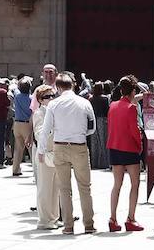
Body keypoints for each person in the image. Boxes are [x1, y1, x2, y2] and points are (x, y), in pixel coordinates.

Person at [38, 72, 97, 234]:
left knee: (64, 188)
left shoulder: (53, 104)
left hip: (60, 147)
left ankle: (68, 225)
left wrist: (41, 150)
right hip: (79, 147)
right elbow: (92, 127)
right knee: (85, 187)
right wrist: (80, 133)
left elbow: (46, 130)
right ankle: (89, 224)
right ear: (73, 85)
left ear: (57, 87)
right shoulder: (84, 103)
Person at [106, 75, 145, 232]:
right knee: (135, 184)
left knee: (117, 185)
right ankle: (131, 218)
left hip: (114, 147)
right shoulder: (132, 108)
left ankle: (113, 218)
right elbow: (134, 130)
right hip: (129, 148)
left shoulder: (113, 105)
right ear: (133, 91)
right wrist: (140, 144)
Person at [31, 84, 60, 229]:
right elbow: (39, 133)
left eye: (53, 96)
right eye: (47, 97)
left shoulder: (54, 112)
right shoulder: (39, 113)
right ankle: (44, 220)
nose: (51, 99)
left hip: (55, 152)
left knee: (56, 188)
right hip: (45, 153)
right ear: (41, 100)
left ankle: (53, 218)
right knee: (45, 188)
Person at [11, 76, 35, 175]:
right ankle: (36, 170)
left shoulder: (17, 96)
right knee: (31, 149)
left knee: (18, 148)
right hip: (26, 124)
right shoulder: (31, 98)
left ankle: (15, 170)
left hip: (17, 123)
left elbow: (14, 88)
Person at [89, 81, 111, 170]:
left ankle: (94, 163)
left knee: (94, 142)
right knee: (103, 141)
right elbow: (107, 110)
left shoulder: (91, 99)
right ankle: (104, 163)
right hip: (103, 120)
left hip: (94, 120)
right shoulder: (105, 98)